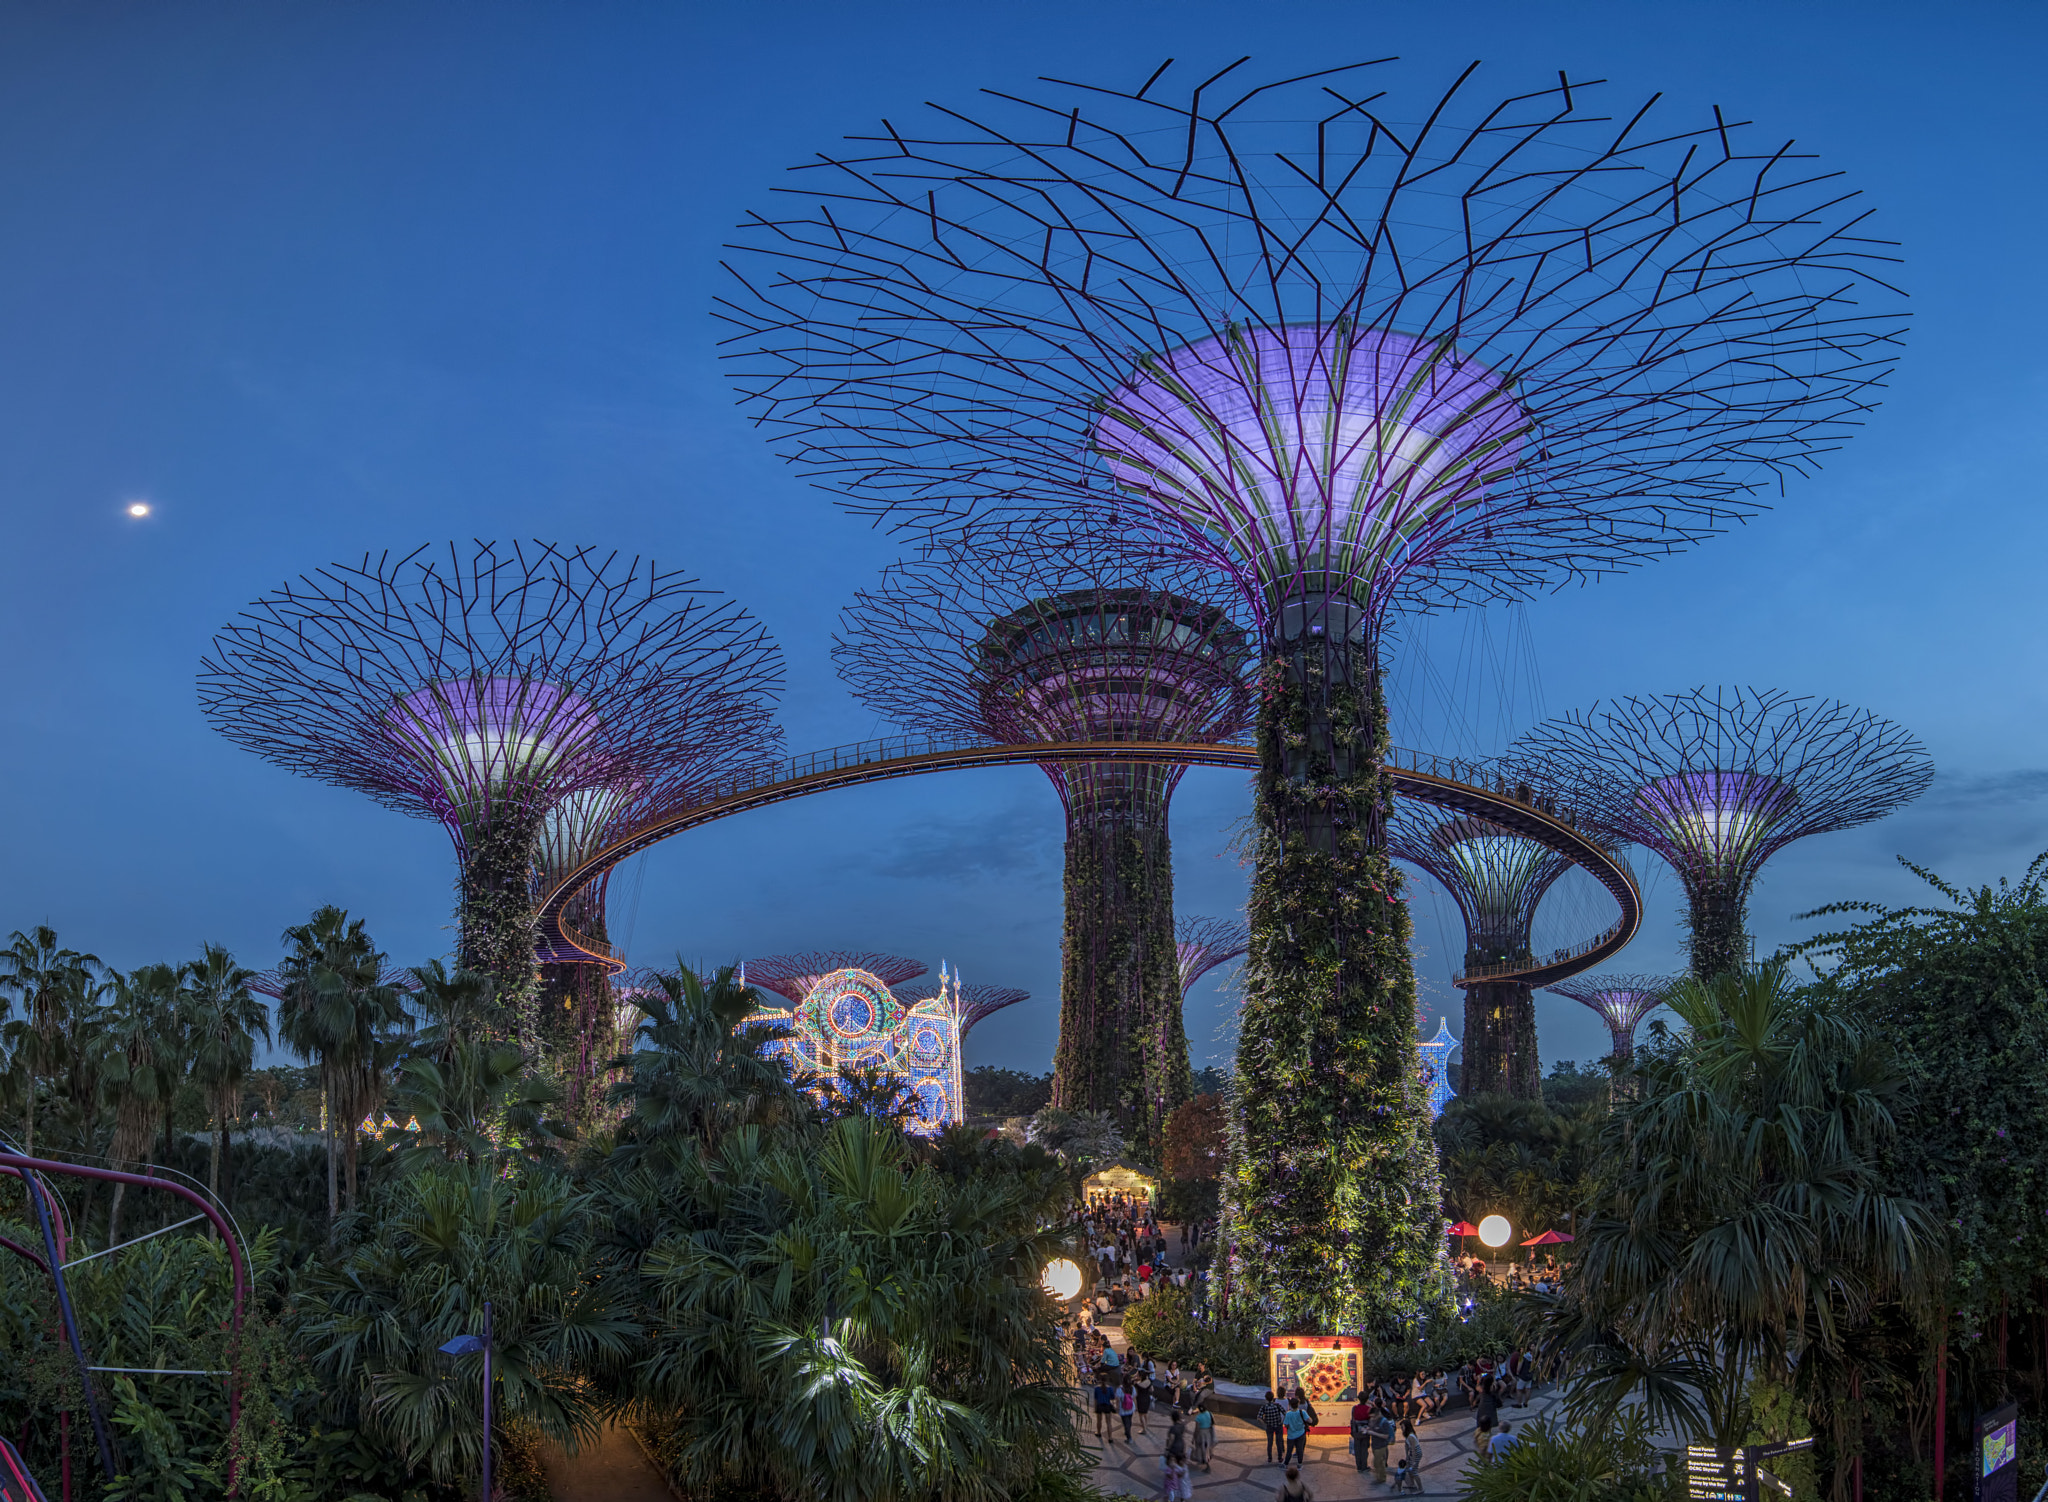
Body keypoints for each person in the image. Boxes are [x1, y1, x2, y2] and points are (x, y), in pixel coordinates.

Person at [1369, 1403, 1397, 1485]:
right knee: (1379, 1462)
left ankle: (1381, 1478)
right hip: (1374, 1444)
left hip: (1381, 1445)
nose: (1372, 1418)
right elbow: (1371, 1427)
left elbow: (1385, 1436)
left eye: (1373, 1416)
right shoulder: (1372, 1420)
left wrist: (1373, 1433)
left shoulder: (1384, 1422)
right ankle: (1380, 1477)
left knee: (1376, 1462)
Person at [1257, 1389, 1286, 1464]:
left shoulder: (1264, 1407)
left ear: (1266, 1398)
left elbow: (1259, 1417)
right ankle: (1280, 1457)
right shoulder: (1277, 1405)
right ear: (1273, 1397)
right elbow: (1285, 1413)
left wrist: (1264, 1424)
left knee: (1270, 1442)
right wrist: (1282, 1421)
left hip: (1269, 1426)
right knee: (1278, 1442)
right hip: (1278, 1425)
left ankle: (1270, 1458)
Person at [1281, 1395, 1310, 1467]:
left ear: (1290, 1405)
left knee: (1289, 1450)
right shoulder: (1302, 1412)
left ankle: (1285, 1464)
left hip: (1291, 1435)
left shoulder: (1288, 1414)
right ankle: (1299, 1464)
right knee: (1300, 1449)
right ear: (1298, 1404)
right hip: (1301, 1433)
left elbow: (1286, 1425)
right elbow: (1310, 1420)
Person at [1348, 1393, 1373, 1474]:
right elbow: (1370, 1421)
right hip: (1366, 1432)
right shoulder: (1369, 1408)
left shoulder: (1354, 1408)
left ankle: (1359, 1466)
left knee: (1357, 1450)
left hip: (1356, 1432)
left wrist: (1352, 1431)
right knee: (1364, 1449)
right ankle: (1364, 1466)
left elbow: (1353, 1420)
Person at [1093, 1372, 1116, 1441]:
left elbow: (1095, 1399)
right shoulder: (1110, 1388)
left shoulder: (1097, 1388)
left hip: (1099, 1405)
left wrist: (1095, 1408)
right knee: (1108, 1422)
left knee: (1099, 1420)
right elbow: (1112, 1397)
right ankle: (1110, 1437)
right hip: (1107, 1405)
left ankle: (1099, 1432)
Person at [1133, 1357, 1154, 1435]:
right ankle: (1146, 1425)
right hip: (1147, 1398)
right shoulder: (1148, 1382)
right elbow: (1152, 1390)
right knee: (1145, 1413)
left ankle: (1143, 1428)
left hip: (1140, 1399)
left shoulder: (1137, 1384)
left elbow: (1135, 1392)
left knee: (1141, 1415)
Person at [1191, 1401, 1214, 1471]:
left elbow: (1197, 1429)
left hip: (1202, 1434)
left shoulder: (1199, 1417)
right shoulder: (1210, 1414)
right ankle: (1206, 1459)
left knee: (1202, 1449)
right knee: (1207, 1448)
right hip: (1208, 1433)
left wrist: (1194, 1437)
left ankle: (1206, 1464)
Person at [1118, 1378, 1138, 1443]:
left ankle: (1129, 1436)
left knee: (1125, 1422)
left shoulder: (1120, 1389)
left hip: (1123, 1408)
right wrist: (1136, 1407)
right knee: (1129, 1420)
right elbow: (1134, 1398)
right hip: (1131, 1407)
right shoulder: (1132, 1388)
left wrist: (1117, 1407)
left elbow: (1117, 1399)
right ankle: (1128, 1430)